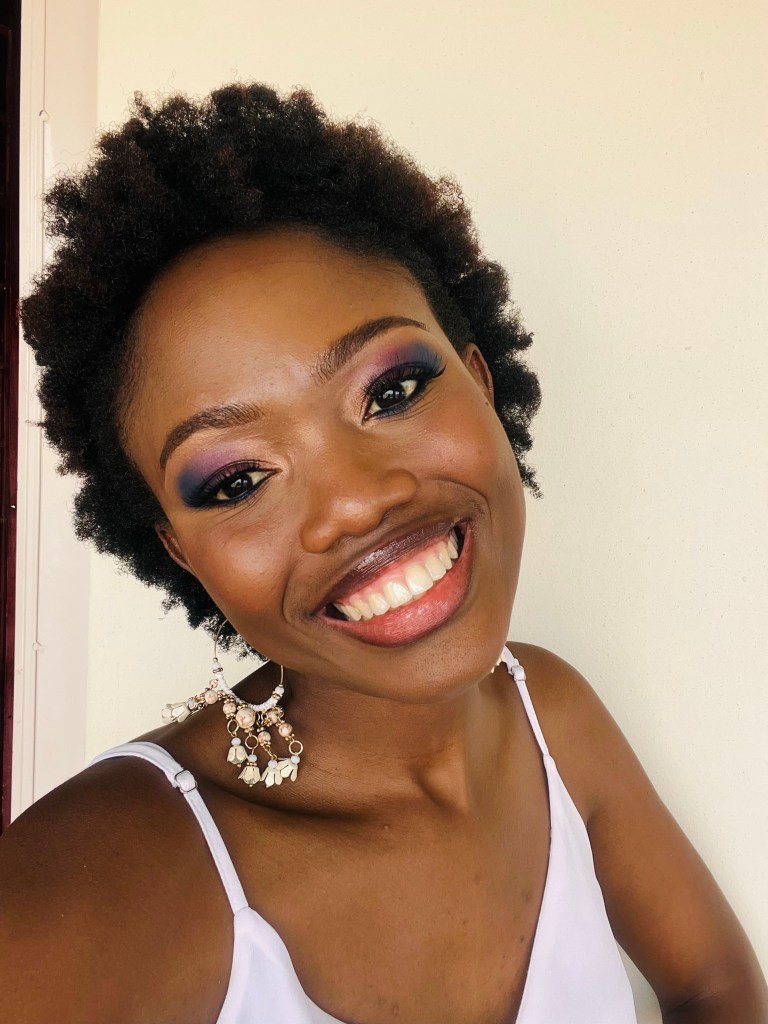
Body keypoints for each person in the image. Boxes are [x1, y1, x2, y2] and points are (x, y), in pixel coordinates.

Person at [1, 83, 765, 1024]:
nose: (358, 502)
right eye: (238, 480)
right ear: (180, 553)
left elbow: (717, 986)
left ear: (480, 381)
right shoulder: (114, 872)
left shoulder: (551, 718)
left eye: (392, 391)